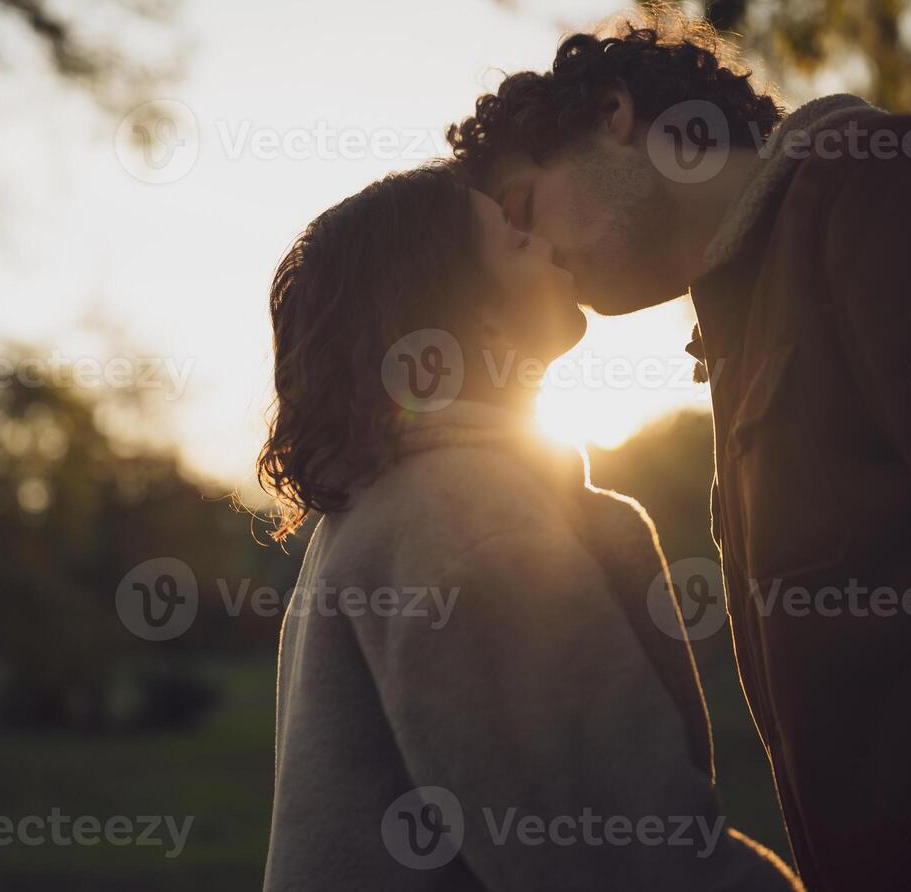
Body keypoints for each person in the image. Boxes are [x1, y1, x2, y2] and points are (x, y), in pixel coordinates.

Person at [447, 3, 911, 889]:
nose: (532, 253)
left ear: (613, 114)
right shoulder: (738, 331)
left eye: (522, 206)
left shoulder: (887, 195)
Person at [257, 160, 801, 890]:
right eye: (515, 241)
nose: (543, 242)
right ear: (469, 312)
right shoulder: (471, 520)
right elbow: (623, 860)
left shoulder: (389, 504)